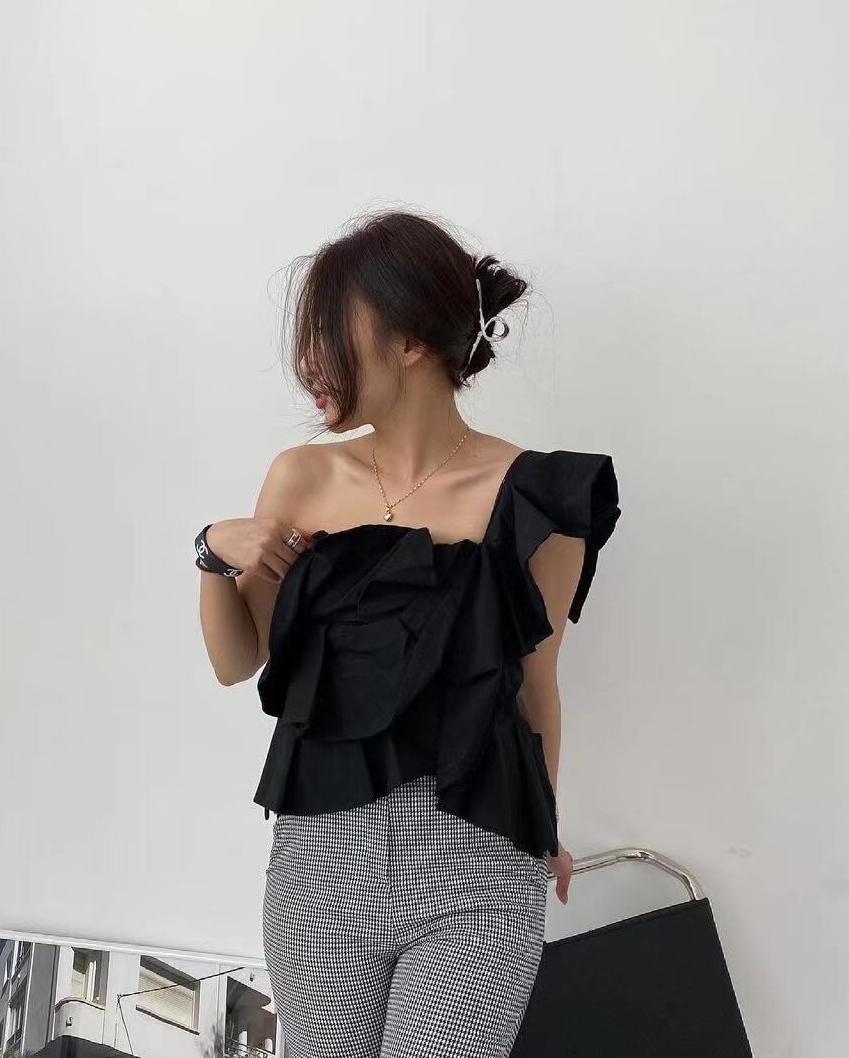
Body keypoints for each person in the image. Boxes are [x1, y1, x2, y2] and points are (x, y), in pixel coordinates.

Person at [195, 209, 621, 1058]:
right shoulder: (302, 478)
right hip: (319, 870)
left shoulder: (536, 499)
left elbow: (537, 688)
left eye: (330, 334)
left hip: (476, 866)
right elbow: (237, 663)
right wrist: (211, 553)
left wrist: (542, 826)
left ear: (410, 342)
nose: (309, 364)